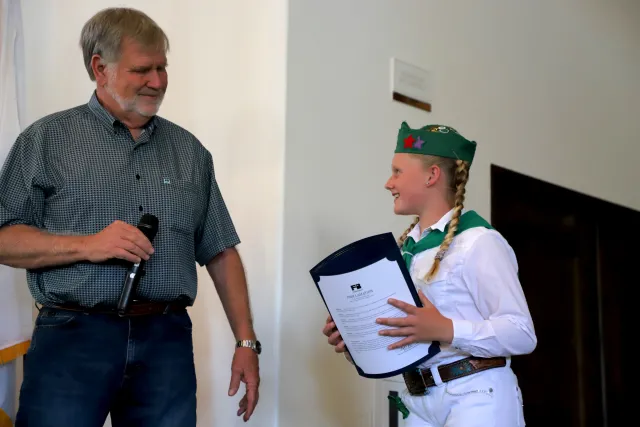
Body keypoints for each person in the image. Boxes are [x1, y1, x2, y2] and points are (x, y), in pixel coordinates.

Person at [0, 7, 261, 427]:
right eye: (142, 69)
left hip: (166, 341)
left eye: (162, 68)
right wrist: (88, 245)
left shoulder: (190, 152)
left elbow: (220, 251)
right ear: (100, 68)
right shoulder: (45, 140)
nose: (157, 82)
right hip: (72, 337)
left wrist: (246, 341)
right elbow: (3, 237)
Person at [322, 122, 537, 426]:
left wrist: (445, 329)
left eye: (397, 171)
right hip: (418, 402)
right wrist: (355, 339)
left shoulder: (478, 241)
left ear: (431, 175)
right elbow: (406, 338)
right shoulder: (405, 252)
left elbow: (521, 333)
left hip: (475, 394)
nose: (388, 182)